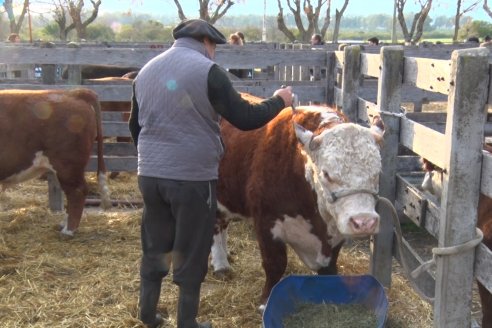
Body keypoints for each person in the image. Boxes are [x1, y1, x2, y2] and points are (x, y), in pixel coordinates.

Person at [128, 19, 292, 328]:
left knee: (155, 241)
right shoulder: (208, 72)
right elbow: (245, 117)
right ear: (206, 42)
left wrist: (152, 159)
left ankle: (147, 314)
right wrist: (279, 102)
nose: (213, 53)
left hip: (149, 175)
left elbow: (134, 126)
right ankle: (187, 322)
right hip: (192, 177)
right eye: (214, 47)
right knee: (192, 248)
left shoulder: (146, 71)